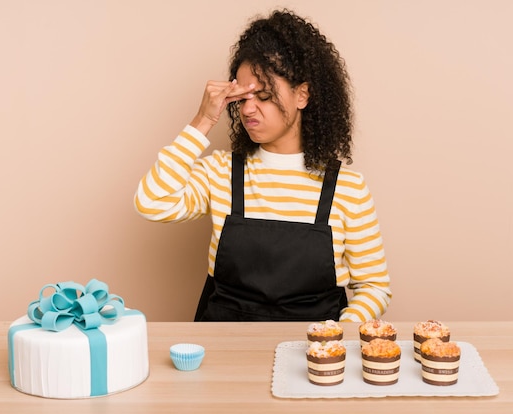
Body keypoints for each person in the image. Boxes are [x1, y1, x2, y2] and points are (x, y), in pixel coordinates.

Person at [134, 9, 391, 322]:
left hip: (313, 359)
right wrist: (204, 119)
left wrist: (335, 334)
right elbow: (151, 203)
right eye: (241, 98)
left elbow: (374, 287)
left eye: (264, 95)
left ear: (302, 95)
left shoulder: (347, 188)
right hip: (224, 349)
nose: (248, 109)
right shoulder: (221, 172)